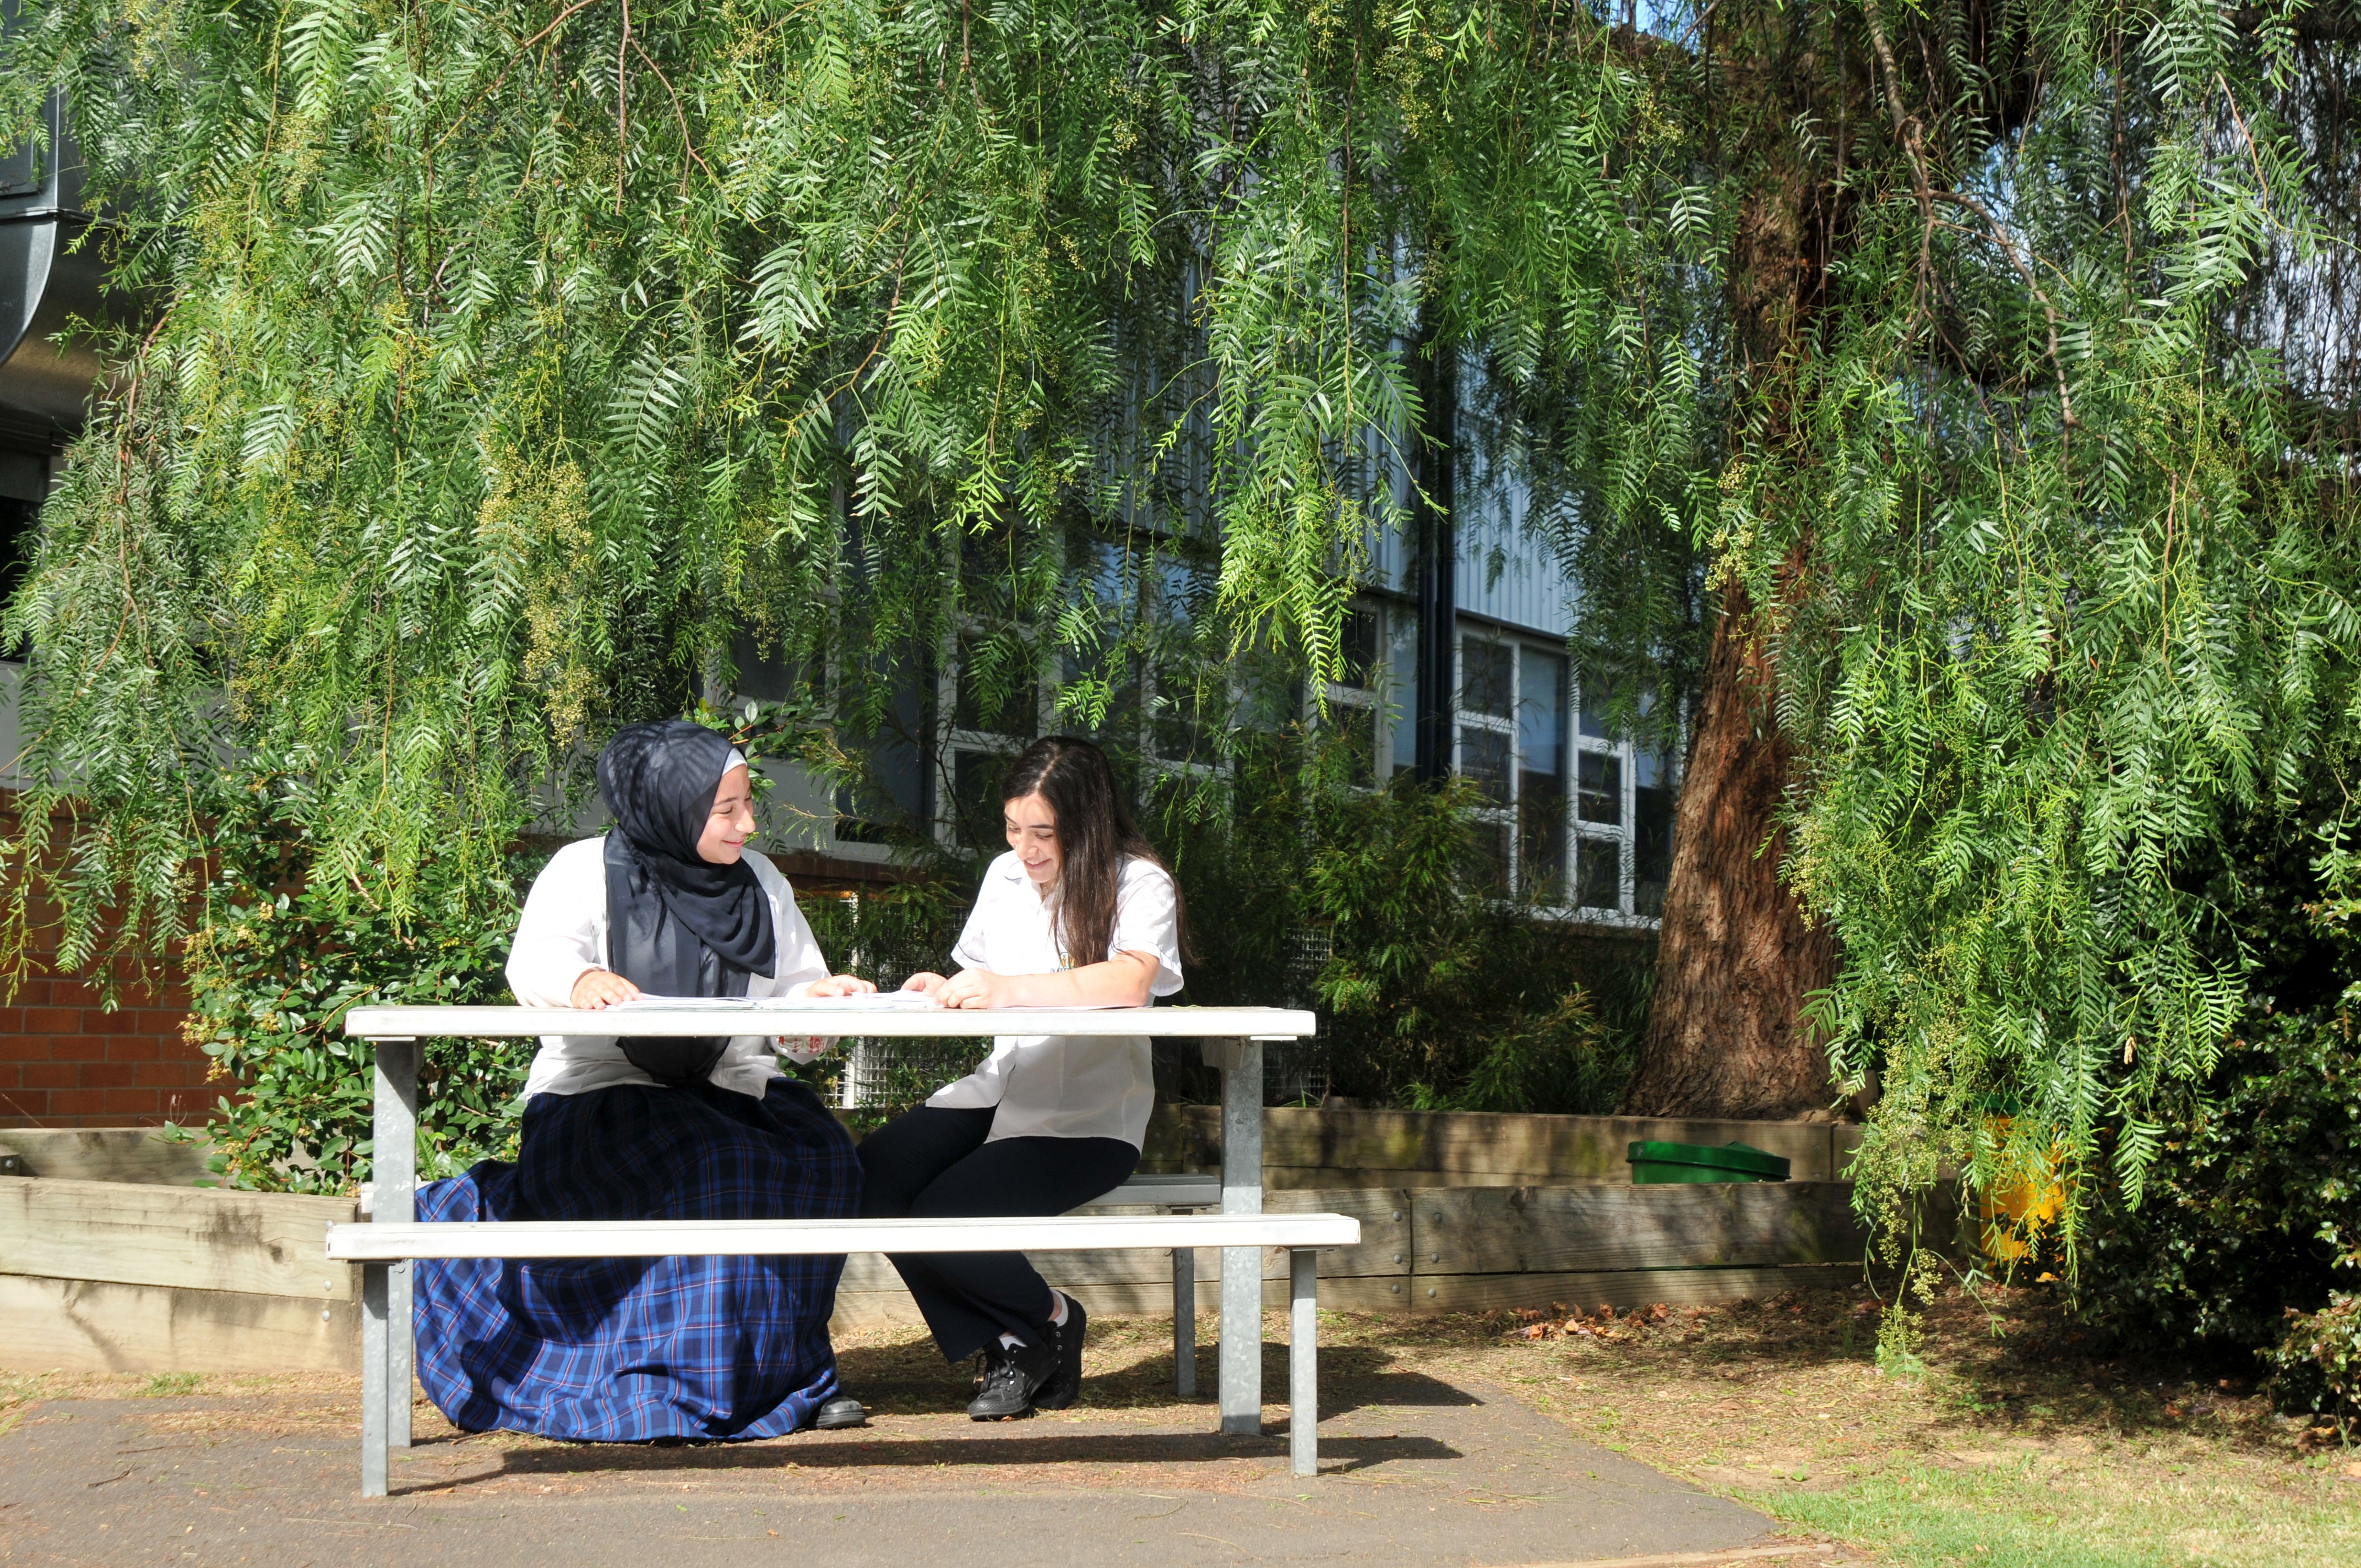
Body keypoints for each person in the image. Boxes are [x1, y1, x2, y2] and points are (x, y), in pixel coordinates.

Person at [412, 718, 874, 1441]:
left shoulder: (764, 883)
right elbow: (534, 967)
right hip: (598, 1096)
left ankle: (786, 1375)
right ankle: (667, 1385)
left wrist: (820, 1008)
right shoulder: (582, 870)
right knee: (713, 1165)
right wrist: (582, 979)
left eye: (749, 805)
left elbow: (797, 1015)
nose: (749, 824)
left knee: (825, 1157)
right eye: (728, 810)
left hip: (732, 1091)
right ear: (673, 805)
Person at [858, 734, 1188, 1420]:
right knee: (870, 1181)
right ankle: (1022, 1335)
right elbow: (986, 977)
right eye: (1013, 828)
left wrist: (1006, 989)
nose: (1026, 848)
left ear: (1087, 824)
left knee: (944, 1217)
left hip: (1088, 1117)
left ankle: (1044, 1321)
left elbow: (1130, 981)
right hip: (999, 1083)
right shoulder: (1005, 876)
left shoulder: (1138, 881)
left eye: (1044, 833)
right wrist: (940, 990)